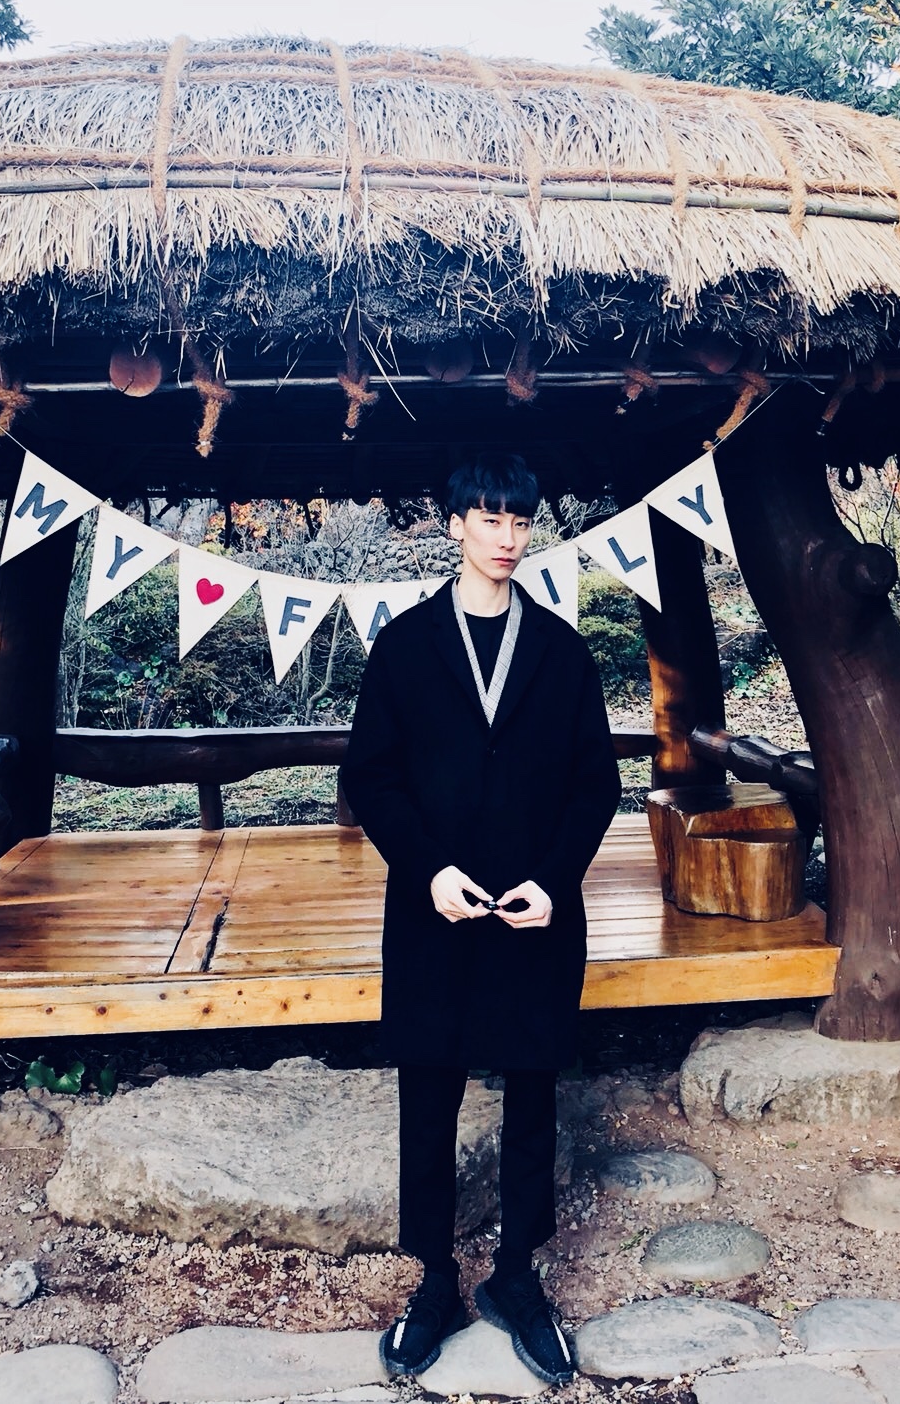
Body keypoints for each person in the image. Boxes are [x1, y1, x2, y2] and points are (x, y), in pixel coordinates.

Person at [340, 450, 622, 1385]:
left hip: (536, 911)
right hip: (436, 910)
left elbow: (595, 785)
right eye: (490, 518)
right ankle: (433, 1280)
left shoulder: (562, 652)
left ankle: (515, 1278)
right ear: (454, 523)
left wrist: (557, 879)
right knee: (429, 1093)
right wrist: (426, 870)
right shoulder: (406, 646)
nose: (507, 537)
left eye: (520, 520)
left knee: (534, 1092)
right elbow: (370, 776)